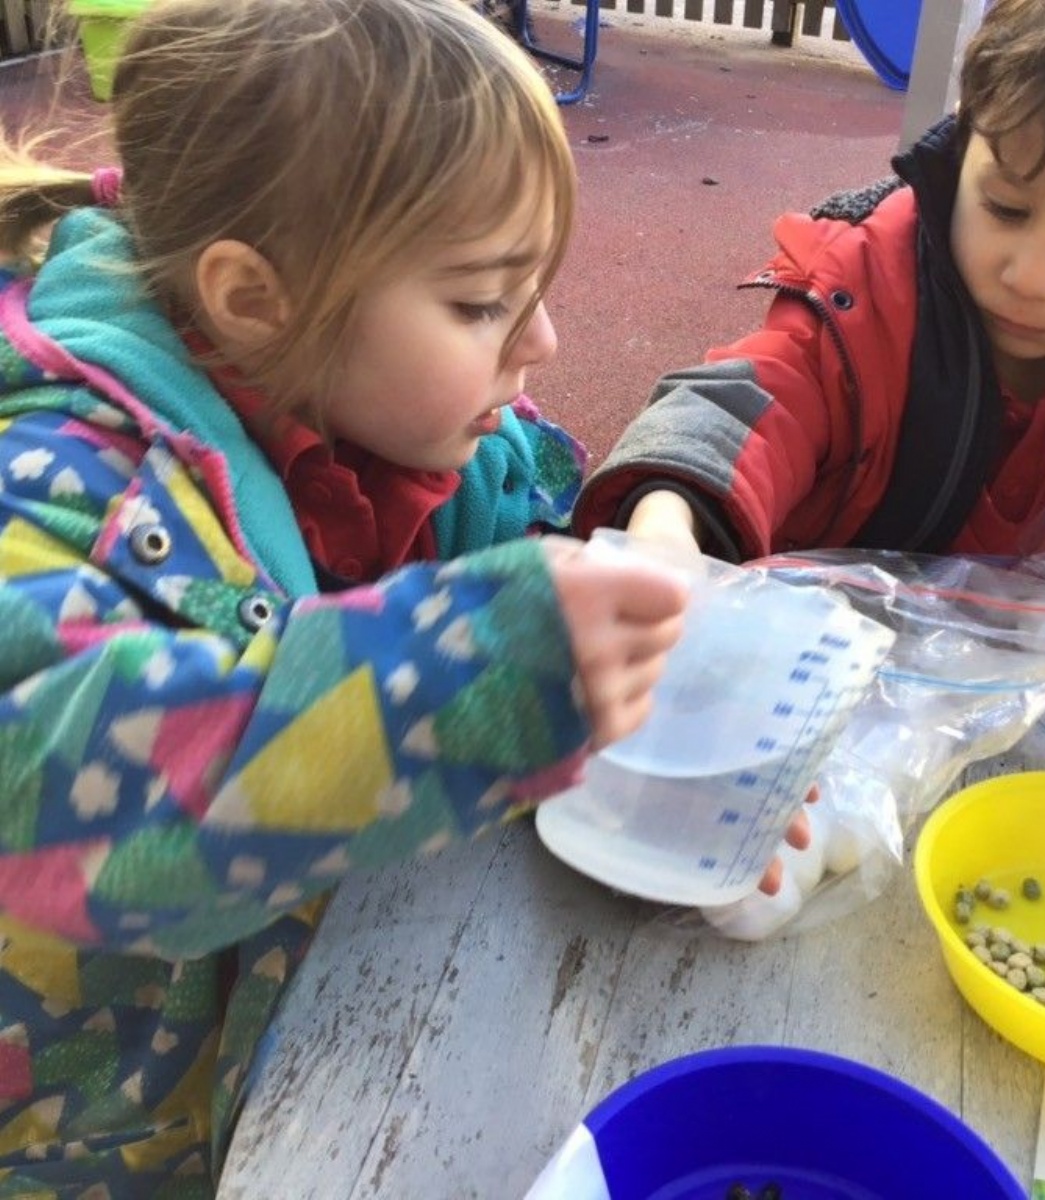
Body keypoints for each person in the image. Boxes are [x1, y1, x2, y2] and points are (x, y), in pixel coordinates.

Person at [0, 0, 690, 1194]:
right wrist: (478, 675)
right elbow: (57, 798)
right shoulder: (60, 485)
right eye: (482, 303)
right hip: (107, 1147)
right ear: (253, 299)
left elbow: (511, 557)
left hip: (295, 1050)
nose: (545, 341)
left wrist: (665, 778)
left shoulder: (406, 421)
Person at [573, 0, 1045, 704]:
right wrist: (667, 518)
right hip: (832, 696)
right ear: (963, 149)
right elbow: (758, 394)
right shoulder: (871, 281)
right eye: (1006, 207)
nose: (1029, 275)